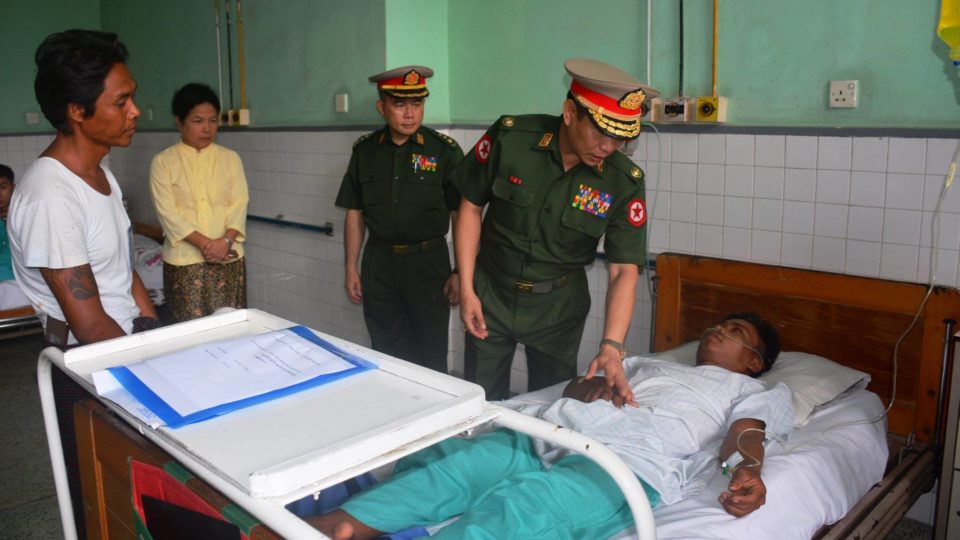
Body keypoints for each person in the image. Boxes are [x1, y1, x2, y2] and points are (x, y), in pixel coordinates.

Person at [308, 312, 794, 539]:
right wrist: (593, 390)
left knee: (522, 510)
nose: (715, 331)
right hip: (555, 431)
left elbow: (745, 433)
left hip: (626, 463)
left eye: (734, 334)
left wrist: (746, 470)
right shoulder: (650, 364)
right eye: (717, 325)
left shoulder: (751, 391)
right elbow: (572, 390)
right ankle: (339, 526)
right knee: (455, 467)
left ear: (754, 362)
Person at [6, 29, 159, 536]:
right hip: (91, 371)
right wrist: (159, 373)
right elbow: (90, 325)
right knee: (106, 503)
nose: (135, 110)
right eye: (122, 101)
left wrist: (155, 328)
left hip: (127, 347)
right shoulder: (51, 197)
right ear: (77, 110)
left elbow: (123, 265)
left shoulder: (100, 175)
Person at [453, 58, 658, 401]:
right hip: (491, 293)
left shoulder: (623, 181)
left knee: (551, 406)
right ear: (568, 112)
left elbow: (624, 269)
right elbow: (470, 207)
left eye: (622, 138)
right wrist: (467, 285)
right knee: (480, 399)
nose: (609, 146)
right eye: (601, 131)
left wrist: (612, 345)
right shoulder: (511, 138)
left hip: (558, 308)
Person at [335, 66, 464, 372]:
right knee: (385, 352)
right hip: (379, 262)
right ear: (382, 107)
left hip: (428, 263)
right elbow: (355, 212)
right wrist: (351, 265)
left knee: (430, 352)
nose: (410, 114)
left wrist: (461, 270)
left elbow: (461, 215)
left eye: (417, 104)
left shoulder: (444, 152)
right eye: (400, 104)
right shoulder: (365, 151)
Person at [149, 82, 249, 322]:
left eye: (213, 121)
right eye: (198, 121)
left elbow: (240, 202)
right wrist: (207, 244)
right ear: (179, 122)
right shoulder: (163, 162)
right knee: (189, 333)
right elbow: (168, 213)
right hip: (184, 262)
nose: (207, 128)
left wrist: (225, 241)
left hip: (229, 258)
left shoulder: (230, 158)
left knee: (230, 329)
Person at [0, 164, 30, 310]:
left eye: (3, 187)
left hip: (24, 285)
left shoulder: (26, 215)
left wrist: (12, 219)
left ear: (13, 187)